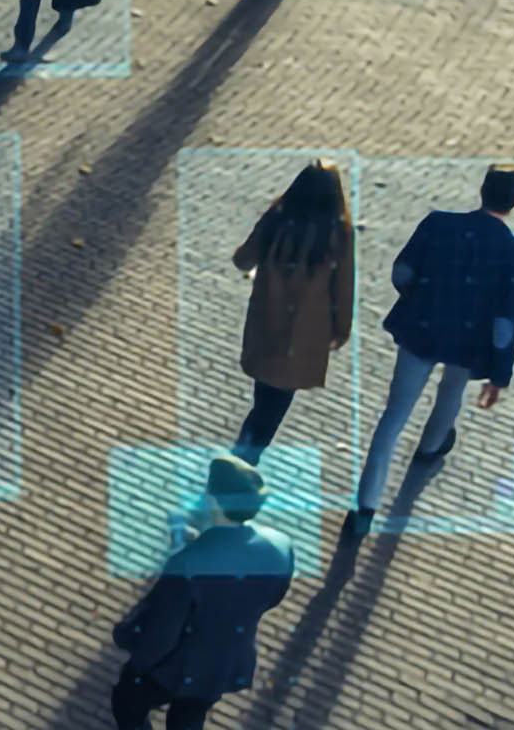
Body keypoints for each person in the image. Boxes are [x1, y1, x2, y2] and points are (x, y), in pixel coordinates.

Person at [349, 164, 514, 537]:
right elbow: (506, 323)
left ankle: (365, 507)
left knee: (393, 417)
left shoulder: (438, 224)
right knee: (452, 391)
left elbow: (402, 273)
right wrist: (499, 376)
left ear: (482, 188)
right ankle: (430, 448)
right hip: (469, 342)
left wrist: (421, 299)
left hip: (421, 330)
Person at [112, 455, 295, 730]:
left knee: (126, 704)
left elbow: (163, 634)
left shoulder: (188, 564)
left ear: (214, 501)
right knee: (187, 719)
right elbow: (273, 596)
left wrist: (137, 664)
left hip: (175, 666)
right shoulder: (280, 546)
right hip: (222, 663)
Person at [229, 159, 356, 464]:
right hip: (304, 335)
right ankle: (241, 463)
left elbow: (243, 259)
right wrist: (341, 330)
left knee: (263, 401)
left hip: (266, 323)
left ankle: (240, 459)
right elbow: (343, 287)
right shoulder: (339, 232)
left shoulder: (278, 217)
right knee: (273, 408)